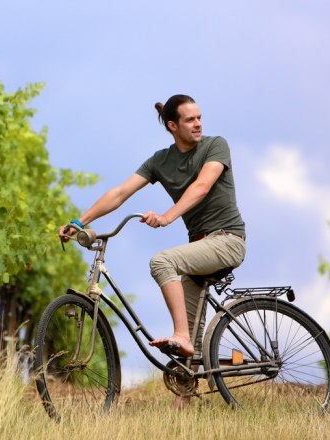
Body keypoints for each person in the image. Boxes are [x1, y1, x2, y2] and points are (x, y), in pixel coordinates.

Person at [59, 93, 246, 375]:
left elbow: (202, 186)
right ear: (173, 126)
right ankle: (185, 385)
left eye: (199, 118)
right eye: (190, 120)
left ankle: (180, 335)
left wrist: (167, 217)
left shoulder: (215, 145)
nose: (198, 124)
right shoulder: (161, 161)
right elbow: (120, 193)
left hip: (227, 240)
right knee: (187, 356)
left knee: (162, 262)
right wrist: (78, 222)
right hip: (199, 248)